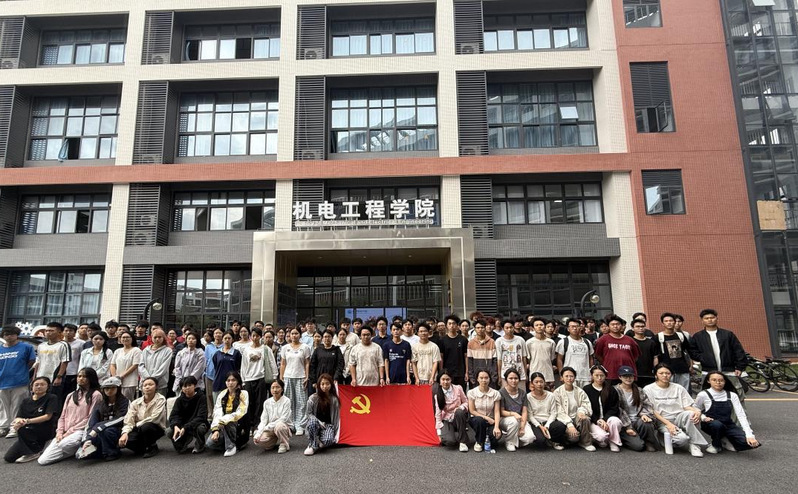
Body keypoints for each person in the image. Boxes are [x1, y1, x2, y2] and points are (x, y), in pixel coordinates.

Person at [38, 368, 102, 465]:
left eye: (84, 376)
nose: (81, 379)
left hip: (81, 430)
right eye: (79, 376)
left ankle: (80, 446)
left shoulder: (96, 395)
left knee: (64, 444)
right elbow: (62, 416)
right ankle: (72, 450)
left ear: (91, 378)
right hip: (65, 432)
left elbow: (90, 418)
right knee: (42, 460)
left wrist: (68, 433)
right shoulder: (71, 395)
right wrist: (59, 432)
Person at [644, 364, 708, 457]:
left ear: (672, 375)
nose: (665, 375)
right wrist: (669, 424)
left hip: (679, 417)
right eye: (661, 373)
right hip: (663, 420)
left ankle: (694, 444)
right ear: (656, 375)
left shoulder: (678, 388)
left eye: (668, 373)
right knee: (682, 440)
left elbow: (686, 406)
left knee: (691, 414)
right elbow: (652, 411)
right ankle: (663, 437)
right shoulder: (648, 389)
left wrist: (697, 411)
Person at [696, 371, 759, 454]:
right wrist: (703, 418)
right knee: (717, 425)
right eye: (714, 380)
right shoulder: (703, 394)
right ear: (708, 381)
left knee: (749, 444)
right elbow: (695, 408)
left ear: (725, 381)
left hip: (728, 424)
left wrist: (750, 436)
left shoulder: (732, 395)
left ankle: (724, 439)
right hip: (711, 424)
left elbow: (741, 415)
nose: (718, 382)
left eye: (721, 380)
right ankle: (716, 445)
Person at [689, 309, 748, 397]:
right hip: (708, 371)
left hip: (729, 371)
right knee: (709, 396)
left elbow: (738, 350)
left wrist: (739, 367)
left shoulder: (728, 334)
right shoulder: (698, 336)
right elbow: (692, 351)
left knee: (736, 394)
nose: (710, 320)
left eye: (712, 317)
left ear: (717, 318)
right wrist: (703, 358)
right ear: (702, 321)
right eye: (706, 318)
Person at [3, 377, 59, 463]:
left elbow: (47, 416)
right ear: (31, 387)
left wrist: (27, 421)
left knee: (23, 428)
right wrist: (19, 421)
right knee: (9, 458)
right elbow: (18, 416)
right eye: (36, 385)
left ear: (48, 387)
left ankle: (34, 452)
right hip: (28, 431)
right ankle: (35, 447)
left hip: (44, 428)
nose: (39, 387)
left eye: (42, 384)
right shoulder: (26, 401)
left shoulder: (52, 398)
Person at [75, 376, 129, 461]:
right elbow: (92, 423)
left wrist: (100, 427)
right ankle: (99, 451)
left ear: (118, 389)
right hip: (100, 430)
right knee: (84, 452)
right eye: (106, 388)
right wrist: (87, 439)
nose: (109, 390)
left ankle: (113, 452)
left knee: (107, 431)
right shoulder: (100, 404)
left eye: (112, 388)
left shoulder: (125, 402)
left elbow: (121, 418)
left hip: (119, 430)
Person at [0, 326, 37, 439]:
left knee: (18, 405)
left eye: (12, 334)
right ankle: (3, 427)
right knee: (3, 407)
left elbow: (31, 361)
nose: (9, 336)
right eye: (6, 334)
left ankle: (15, 427)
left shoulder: (26, 347)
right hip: (2, 382)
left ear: (17, 335)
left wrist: (21, 371)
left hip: (19, 381)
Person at [118, 377, 166, 458]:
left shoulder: (160, 399)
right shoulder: (135, 403)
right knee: (127, 440)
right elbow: (129, 420)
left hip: (155, 427)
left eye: (150, 384)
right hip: (138, 428)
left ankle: (152, 447)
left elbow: (155, 418)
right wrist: (125, 433)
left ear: (156, 387)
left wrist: (138, 425)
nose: (147, 387)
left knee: (146, 427)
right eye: (145, 385)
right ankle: (142, 447)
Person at [615, 366, 660, 452]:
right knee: (638, 446)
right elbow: (617, 409)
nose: (628, 379)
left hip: (637, 420)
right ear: (620, 377)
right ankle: (629, 438)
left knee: (646, 422)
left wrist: (644, 414)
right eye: (625, 376)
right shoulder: (615, 390)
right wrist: (628, 427)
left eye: (630, 376)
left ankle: (648, 442)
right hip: (624, 423)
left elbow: (647, 405)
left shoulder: (639, 390)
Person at [206, 371, 249, 457]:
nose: (230, 383)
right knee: (210, 443)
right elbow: (217, 412)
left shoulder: (244, 393)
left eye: (233, 380)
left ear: (238, 381)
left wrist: (224, 420)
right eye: (228, 380)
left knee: (228, 422)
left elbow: (241, 412)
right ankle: (228, 442)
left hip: (238, 425)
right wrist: (215, 430)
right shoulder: (222, 394)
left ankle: (231, 446)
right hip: (222, 425)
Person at [553, 367, 595, 451]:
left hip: (577, 418)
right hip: (564, 420)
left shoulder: (580, 391)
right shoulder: (557, 392)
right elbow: (558, 411)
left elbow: (586, 404)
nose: (569, 378)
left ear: (575, 377)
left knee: (585, 419)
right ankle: (564, 439)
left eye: (571, 376)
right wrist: (570, 425)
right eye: (566, 376)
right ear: (562, 378)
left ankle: (586, 443)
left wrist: (581, 411)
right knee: (574, 438)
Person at [583, 365, 623, 452]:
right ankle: (601, 439)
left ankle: (613, 441)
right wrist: (597, 420)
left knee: (616, 421)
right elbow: (586, 408)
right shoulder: (586, 389)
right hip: (594, 420)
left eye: (602, 375)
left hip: (608, 419)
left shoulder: (611, 390)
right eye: (596, 375)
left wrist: (605, 419)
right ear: (592, 376)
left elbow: (614, 408)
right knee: (602, 437)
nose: (599, 378)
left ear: (605, 376)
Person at [280, 328, 311, 435]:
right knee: (289, 401)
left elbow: (307, 363)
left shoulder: (305, 347)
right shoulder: (285, 348)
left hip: (301, 376)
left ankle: (300, 425)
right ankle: (290, 424)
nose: (294, 335)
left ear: (300, 335)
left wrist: (307, 376)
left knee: (301, 402)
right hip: (288, 377)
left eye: (296, 333)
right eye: (292, 334)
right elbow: (283, 363)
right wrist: (281, 377)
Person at [240, 327, 270, 435]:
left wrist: (274, 377)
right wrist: (243, 380)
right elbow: (243, 366)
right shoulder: (247, 350)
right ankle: (250, 425)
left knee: (260, 403)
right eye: (253, 335)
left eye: (257, 336)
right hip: (248, 379)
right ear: (250, 337)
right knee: (249, 403)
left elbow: (271, 363)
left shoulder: (265, 349)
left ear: (260, 337)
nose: (255, 338)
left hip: (261, 378)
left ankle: (257, 425)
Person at [525, 372, 567, 450]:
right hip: (536, 423)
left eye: (541, 382)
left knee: (560, 426)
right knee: (540, 441)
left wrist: (547, 426)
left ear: (544, 383)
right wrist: (540, 427)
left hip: (548, 421)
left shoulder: (551, 395)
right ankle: (546, 438)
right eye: (536, 382)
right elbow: (530, 416)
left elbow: (553, 413)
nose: (539, 384)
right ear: (532, 384)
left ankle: (554, 441)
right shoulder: (528, 397)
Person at [33, 322, 71, 406]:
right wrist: (34, 377)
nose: (48, 333)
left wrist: (59, 377)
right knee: (39, 400)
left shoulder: (63, 345)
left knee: (53, 400)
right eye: (46, 331)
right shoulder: (41, 346)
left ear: (59, 332)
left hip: (54, 378)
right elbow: (38, 362)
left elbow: (64, 362)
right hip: (40, 376)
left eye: (51, 331)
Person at [593, 315, 639, 383]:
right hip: (610, 373)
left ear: (622, 326)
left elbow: (636, 356)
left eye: (617, 324)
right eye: (612, 324)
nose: (615, 326)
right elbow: (598, 355)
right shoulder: (602, 340)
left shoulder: (630, 340)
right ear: (608, 326)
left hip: (628, 373)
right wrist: (608, 362)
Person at [169, 376, 209, 454]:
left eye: (189, 385)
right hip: (183, 424)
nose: (187, 388)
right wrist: (176, 426)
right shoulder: (179, 400)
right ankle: (183, 442)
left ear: (194, 385)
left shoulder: (201, 397)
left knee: (201, 428)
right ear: (181, 388)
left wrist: (185, 427)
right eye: (184, 386)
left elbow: (201, 417)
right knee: (169, 431)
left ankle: (200, 445)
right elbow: (173, 415)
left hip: (197, 423)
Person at [304, 373, 340, 456]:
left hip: (327, 425)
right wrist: (319, 422)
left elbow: (336, 418)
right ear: (318, 385)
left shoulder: (334, 400)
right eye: (322, 384)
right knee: (312, 421)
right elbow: (308, 414)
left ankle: (320, 440)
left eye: (327, 384)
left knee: (328, 441)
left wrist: (335, 433)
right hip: (315, 423)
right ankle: (312, 445)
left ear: (331, 385)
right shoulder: (313, 398)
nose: (325, 386)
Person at [498, 369, 533, 451]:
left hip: (520, 419)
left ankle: (515, 440)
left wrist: (522, 426)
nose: (513, 381)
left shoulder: (523, 393)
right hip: (505, 419)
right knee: (513, 421)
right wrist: (513, 414)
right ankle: (509, 441)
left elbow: (524, 411)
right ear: (506, 380)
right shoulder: (501, 392)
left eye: (516, 378)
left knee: (530, 438)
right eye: (511, 378)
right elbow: (501, 412)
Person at [657, 312, 694, 391]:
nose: (669, 323)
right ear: (662, 323)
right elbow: (655, 356)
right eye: (666, 321)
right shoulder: (658, 337)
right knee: (667, 391)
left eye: (671, 321)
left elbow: (689, 351)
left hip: (682, 369)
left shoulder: (680, 336)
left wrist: (691, 365)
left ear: (674, 322)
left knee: (684, 392)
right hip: (666, 371)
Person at [434, 370, 469, 452]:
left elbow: (466, 402)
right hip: (447, 419)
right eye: (443, 379)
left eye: (448, 379)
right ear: (439, 381)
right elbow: (438, 413)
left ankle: (463, 442)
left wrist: (461, 407)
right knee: (450, 442)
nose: (445, 382)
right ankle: (450, 434)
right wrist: (439, 433)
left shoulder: (458, 388)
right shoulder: (437, 395)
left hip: (458, 417)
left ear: (451, 380)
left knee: (459, 412)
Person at [254, 379, 293, 454]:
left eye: (277, 387)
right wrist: (259, 433)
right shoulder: (267, 402)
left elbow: (283, 419)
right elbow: (263, 420)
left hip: (283, 427)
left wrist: (268, 427)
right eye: (273, 387)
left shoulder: (286, 401)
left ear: (282, 389)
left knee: (279, 426)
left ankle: (284, 443)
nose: (275, 390)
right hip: (270, 428)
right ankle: (272, 442)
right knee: (259, 440)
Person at [468, 370, 501, 453]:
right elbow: (472, 411)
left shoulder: (495, 393)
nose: (484, 380)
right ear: (477, 379)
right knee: (480, 421)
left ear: (489, 379)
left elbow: (497, 411)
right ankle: (479, 442)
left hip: (491, 420)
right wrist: (486, 418)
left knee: (495, 438)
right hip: (477, 419)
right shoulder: (472, 392)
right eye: (481, 378)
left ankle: (486, 436)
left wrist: (497, 427)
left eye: (486, 378)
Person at [556, 319, 594, 388]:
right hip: (569, 377)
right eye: (572, 326)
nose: (575, 328)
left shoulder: (587, 342)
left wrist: (592, 373)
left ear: (580, 328)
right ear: (568, 329)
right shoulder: (563, 342)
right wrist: (561, 375)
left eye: (577, 326)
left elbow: (591, 359)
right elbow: (559, 359)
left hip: (586, 376)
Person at [109, 331, 142, 402]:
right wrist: (115, 377)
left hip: (130, 381)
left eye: (127, 337)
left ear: (132, 339)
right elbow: (112, 364)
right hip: (117, 381)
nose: (125, 339)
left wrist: (122, 376)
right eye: (123, 337)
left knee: (127, 401)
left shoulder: (136, 350)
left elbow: (135, 365)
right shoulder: (118, 351)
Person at [139, 328, 172, 396]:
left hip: (160, 384)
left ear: (163, 338)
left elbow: (164, 367)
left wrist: (152, 379)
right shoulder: (145, 350)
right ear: (151, 338)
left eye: (160, 337)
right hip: (146, 383)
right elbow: (141, 366)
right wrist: (148, 378)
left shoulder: (167, 351)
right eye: (155, 337)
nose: (157, 339)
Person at [496, 319, 528, 390]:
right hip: (505, 373)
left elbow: (524, 358)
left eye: (511, 327)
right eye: (507, 328)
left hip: (520, 373)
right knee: (506, 394)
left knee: (521, 393)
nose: (509, 329)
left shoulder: (520, 340)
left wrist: (525, 374)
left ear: (513, 327)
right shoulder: (499, 341)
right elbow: (499, 360)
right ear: (503, 329)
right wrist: (499, 376)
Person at [467, 319, 499, 389]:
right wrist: (471, 377)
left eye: (482, 327)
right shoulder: (471, 343)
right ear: (474, 329)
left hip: (490, 377)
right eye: (478, 328)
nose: (480, 329)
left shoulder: (492, 342)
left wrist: (494, 377)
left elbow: (495, 360)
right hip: (476, 377)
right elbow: (470, 361)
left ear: (485, 328)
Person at [438, 315, 469, 388]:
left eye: (454, 323)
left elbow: (466, 357)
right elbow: (441, 357)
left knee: (461, 392)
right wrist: (441, 372)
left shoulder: (463, 339)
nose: (452, 326)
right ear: (446, 326)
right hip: (447, 373)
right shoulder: (442, 340)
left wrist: (466, 372)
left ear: (457, 326)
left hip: (460, 372)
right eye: (449, 324)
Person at [526, 317, 556, 388]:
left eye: (541, 325)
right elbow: (528, 359)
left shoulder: (551, 342)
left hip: (548, 375)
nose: (539, 327)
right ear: (533, 328)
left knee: (549, 393)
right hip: (534, 373)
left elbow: (552, 358)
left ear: (545, 326)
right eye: (536, 325)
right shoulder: (529, 342)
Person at [211, 331, 243, 400]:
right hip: (218, 383)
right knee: (218, 405)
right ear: (222, 339)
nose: (227, 340)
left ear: (232, 340)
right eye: (225, 338)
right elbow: (216, 366)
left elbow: (239, 367)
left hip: (232, 384)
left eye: (229, 338)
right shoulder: (217, 354)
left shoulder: (236, 353)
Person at [630, 318, 661, 387]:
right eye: (637, 326)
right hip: (634, 374)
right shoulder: (630, 342)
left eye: (642, 326)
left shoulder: (651, 342)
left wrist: (655, 370)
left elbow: (655, 357)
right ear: (632, 328)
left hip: (649, 374)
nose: (640, 328)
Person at [204, 328, 224, 410]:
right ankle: (210, 414)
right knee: (209, 395)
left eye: (219, 333)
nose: (217, 335)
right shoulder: (208, 347)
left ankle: (219, 412)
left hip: (221, 374)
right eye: (216, 333)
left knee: (220, 395)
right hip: (209, 374)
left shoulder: (225, 346)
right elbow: (206, 360)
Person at [63, 324, 85, 396]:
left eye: (70, 331)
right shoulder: (60, 343)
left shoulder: (81, 343)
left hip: (74, 372)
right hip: (61, 372)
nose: (68, 332)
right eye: (66, 330)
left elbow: (82, 358)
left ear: (75, 332)